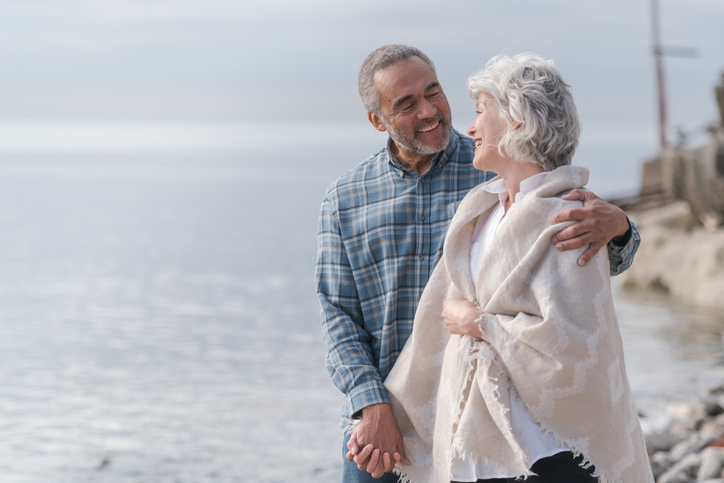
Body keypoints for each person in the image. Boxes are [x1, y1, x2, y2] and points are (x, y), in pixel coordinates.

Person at [316, 45, 640, 483]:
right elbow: (338, 315)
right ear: (378, 121)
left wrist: (619, 228)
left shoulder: (495, 168)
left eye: (434, 92)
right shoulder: (345, 199)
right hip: (384, 424)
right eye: (407, 104)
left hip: (478, 424)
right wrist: (370, 403)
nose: (430, 111)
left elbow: (578, 273)